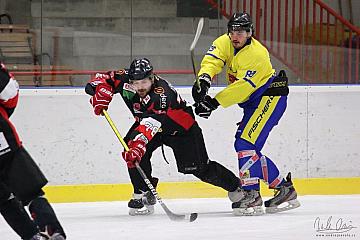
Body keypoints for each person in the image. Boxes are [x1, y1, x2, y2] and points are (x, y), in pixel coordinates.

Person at [85, 58, 245, 216]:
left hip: (181, 130)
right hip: (149, 123)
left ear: (152, 78)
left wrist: (139, 145)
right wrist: (101, 89)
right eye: (136, 83)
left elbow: (150, 125)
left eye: (144, 83)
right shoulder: (126, 78)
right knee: (130, 148)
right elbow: (105, 79)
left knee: (200, 169)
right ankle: (143, 192)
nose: (140, 87)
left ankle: (236, 187)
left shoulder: (161, 95)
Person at [191, 12, 300, 216]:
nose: (235, 36)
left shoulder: (257, 54)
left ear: (250, 33)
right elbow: (212, 60)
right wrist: (204, 79)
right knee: (248, 148)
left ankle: (252, 194)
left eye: (241, 32)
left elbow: (243, 87)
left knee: (245, 145)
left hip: (269, 99)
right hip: (253, 104)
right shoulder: (225, 42)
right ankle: (284, 189)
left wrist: (213, 102)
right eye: (233, 31)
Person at [0, 62, 66, 240]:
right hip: (4, 141)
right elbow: (9, 93)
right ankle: (52, 231)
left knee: (4, 200)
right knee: (31, 193)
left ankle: (32, 236)